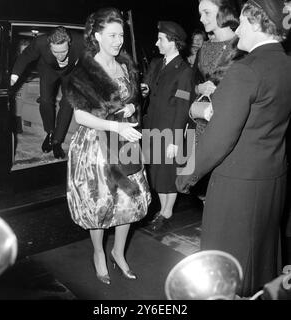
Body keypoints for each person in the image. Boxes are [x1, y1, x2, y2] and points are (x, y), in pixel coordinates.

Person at [176, 0, 291, 297]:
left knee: (227, 268)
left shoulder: (245, 70)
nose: (237, 30)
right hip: (273, 179)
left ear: (256, 23)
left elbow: (219, 138)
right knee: (263, 260)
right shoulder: (285, 64)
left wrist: (186, 175)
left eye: (241, 22)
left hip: (237, 186)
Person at [65, 8, 151, 285]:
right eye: (112, 35)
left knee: (129, 200)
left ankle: (118, 251)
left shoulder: (126, 65)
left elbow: (130, 100)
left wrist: (128, 107)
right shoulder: (85, 70)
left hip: (125, 141)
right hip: (96, 145)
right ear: (96, 35)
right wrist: (115, 125)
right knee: (99, 202)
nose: (118, 41)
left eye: (121, 35)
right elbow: (80, 115)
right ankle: (99, 253)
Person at [141, 21, 195, 232]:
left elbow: (183, 107)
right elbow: (148, 88)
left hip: (169, 130)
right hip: (152, 126)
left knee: (167, 174)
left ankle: (166, 212)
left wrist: (175, 140)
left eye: (161, 39)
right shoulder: (156, 64)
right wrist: (143, 89)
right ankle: (162, 209)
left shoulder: (184, 72)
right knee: (156, 172)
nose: (157, 43)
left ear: (173, 42)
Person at [190, 0, 241, 201]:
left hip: (230, 122)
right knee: (204, 186)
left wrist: (220, 90)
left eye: (206, 13)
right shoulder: (204, 48)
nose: (202, 19)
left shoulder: (242, 44)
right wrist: (200, 88)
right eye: (200, 14)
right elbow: (192, 85)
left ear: (224, 11)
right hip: (204, 124)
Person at [10, 26, 84, 159]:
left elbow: (96, 59)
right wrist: (14, 76)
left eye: (64, 51)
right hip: (48, 69)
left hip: (71, 73)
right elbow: (25, 56)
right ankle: (49, 133)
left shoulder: (80, 42)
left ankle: (57, 142)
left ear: (70, 43)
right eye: (56, 52)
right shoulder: (40, 42)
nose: (60, 56)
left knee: (67, 103)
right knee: (45, 100)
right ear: (49, 45)